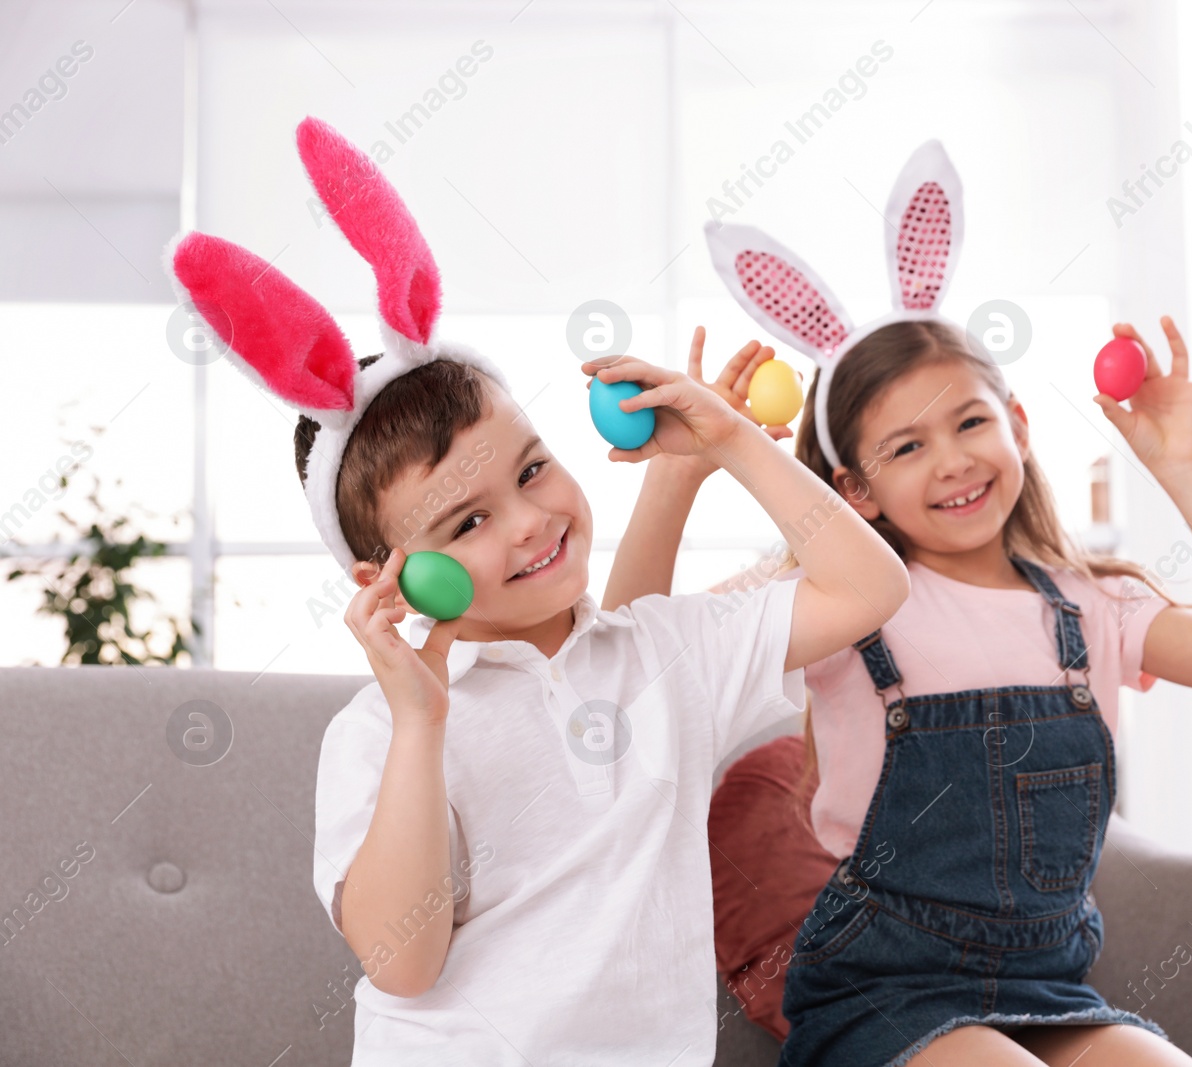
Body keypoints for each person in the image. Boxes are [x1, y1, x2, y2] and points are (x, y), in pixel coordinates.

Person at [165, 116, 908, 1066]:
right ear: (386, 581)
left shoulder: (666, 650)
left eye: (531, 469)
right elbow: (404, 963)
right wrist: (421, 722)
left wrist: (729, 438)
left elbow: (867, 584)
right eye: (465, 522)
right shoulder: (375, 734)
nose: (526, 520)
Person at [603, 142, 1192, 1066]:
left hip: (1051, 990)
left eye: (971, 421)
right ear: (854, 491)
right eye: (905, 448)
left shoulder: (1092, 607)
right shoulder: (839, 605)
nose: (952, 460)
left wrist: (1183, 466)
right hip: (879, 1000)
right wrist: (680, 479)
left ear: (1016, 424)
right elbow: (630, 668)